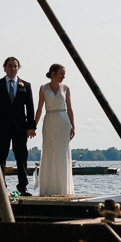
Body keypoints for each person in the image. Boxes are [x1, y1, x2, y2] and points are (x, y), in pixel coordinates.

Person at [0, 56, 37, 195]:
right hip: (2, 127)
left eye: (15, 66)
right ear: (5, 67)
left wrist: (31, 126)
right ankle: (0, 187)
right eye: (10, 65)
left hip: (20, 127)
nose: (13, 68)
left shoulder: (25, 85)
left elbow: (30, 107)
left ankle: (22, 187)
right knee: (0, 157)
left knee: (21, 157)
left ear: (18, 68)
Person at [34, 63, 75, 196]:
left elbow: (69, 108)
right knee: (49, 152)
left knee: (63, 154)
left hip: (63, 121)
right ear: (53, 74)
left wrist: (73, 125)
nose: (64, 76)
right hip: (49, 120)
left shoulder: (66, 88)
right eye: (61, 73)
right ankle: (48, 188)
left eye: (64, 74)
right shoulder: (43, 88)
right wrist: (33, 126)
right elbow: (39, 108)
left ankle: (63, 189)